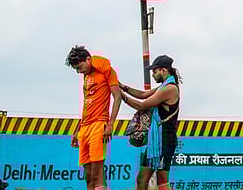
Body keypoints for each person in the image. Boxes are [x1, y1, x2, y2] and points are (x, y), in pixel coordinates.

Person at [118, 55, 181, 190]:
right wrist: (123, 87)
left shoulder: (170, 88)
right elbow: (143, 94)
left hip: (164, 138)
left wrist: (121, 96)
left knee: (159, 180)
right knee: (145, 179)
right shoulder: (164, 86)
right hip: (157, 140)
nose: (153, 75)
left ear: (164, 71)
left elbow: (142, 105)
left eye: (155, 71)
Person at [66, 45, 122, 190]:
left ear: (88, 59)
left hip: (99, 124)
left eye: (80, 66)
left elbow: (117, 97)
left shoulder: (105, 69)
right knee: (88, 176)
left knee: (98, 174)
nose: (79, 71)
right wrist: (76, 130)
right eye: (76, 69)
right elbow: (86, 105)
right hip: (84, 128)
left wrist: (110, 124)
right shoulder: (86, 75)